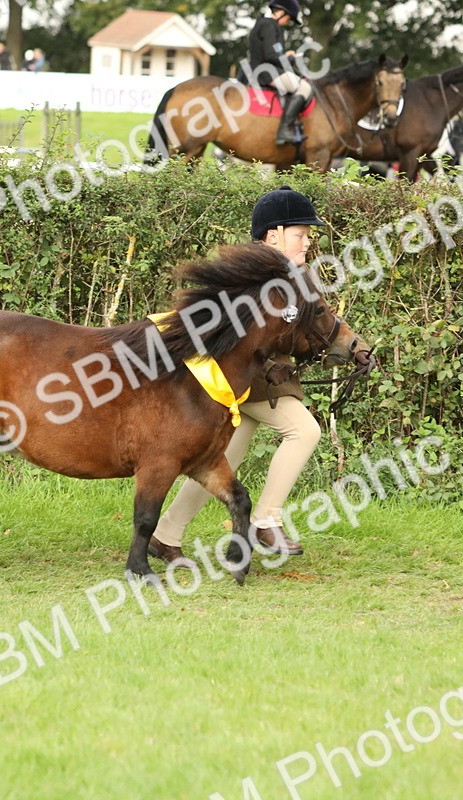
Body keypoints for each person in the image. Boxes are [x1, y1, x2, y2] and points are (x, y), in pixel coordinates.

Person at [149, 186, 375, 567]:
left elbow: (324, 319)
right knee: (305, 431)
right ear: (274, 236)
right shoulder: (251, 277)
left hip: (262, 380)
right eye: (300, 235)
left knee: (221, 461)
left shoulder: (297, 276)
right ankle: (265, 520)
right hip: (239, 380)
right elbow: (233, 338)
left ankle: (164, 534)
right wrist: (269, 364)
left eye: (308, 236)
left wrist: (356, 346)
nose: (307, 242)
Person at [247, 0, 311, 146]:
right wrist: (290, 58)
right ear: (281, 12)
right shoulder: (269, 25)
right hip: (267, 73)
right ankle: (284, 130)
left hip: (265, 70)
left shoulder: (264, 24)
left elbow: (273, 53)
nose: (288, 22)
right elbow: (270, 56)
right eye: (289, 18)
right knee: (305, 88)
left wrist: (284, 55)